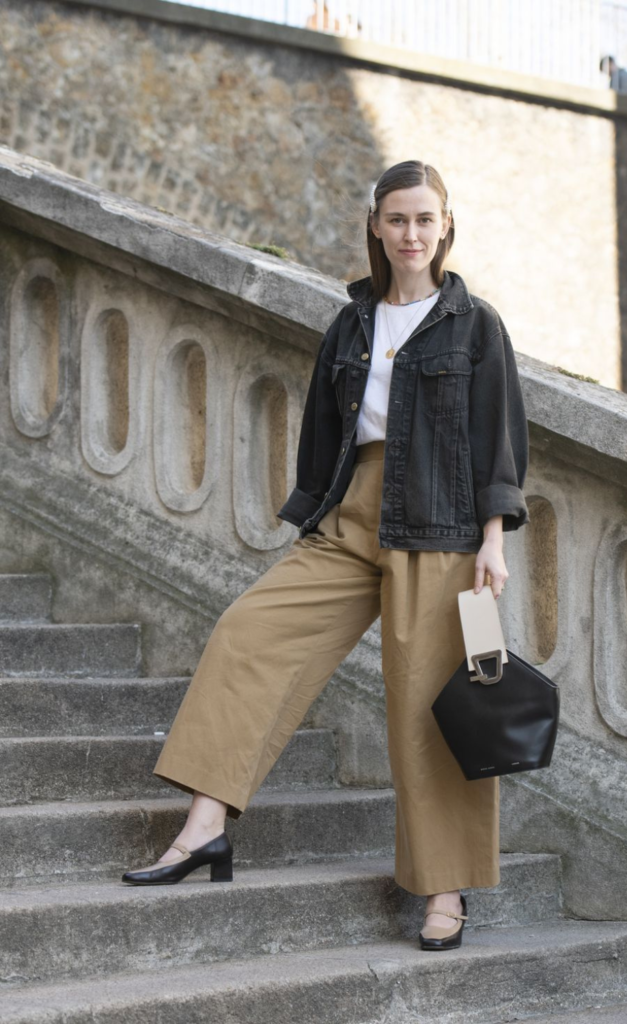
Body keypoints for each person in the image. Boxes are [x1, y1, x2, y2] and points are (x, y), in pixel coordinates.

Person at [121, 160, 530, 952]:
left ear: (446, 225)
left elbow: (499, 438)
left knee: (429, 711)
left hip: (441, 529)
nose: (411, 234)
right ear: (375, 226)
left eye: (425, 219)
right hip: (350, 519)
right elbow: (321, 431)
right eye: (397, 220)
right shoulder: (352, 323)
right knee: (248, 633)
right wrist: (314, 514)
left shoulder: (474, 325)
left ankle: (444, 892)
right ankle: (206, 827)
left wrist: (491, 540)